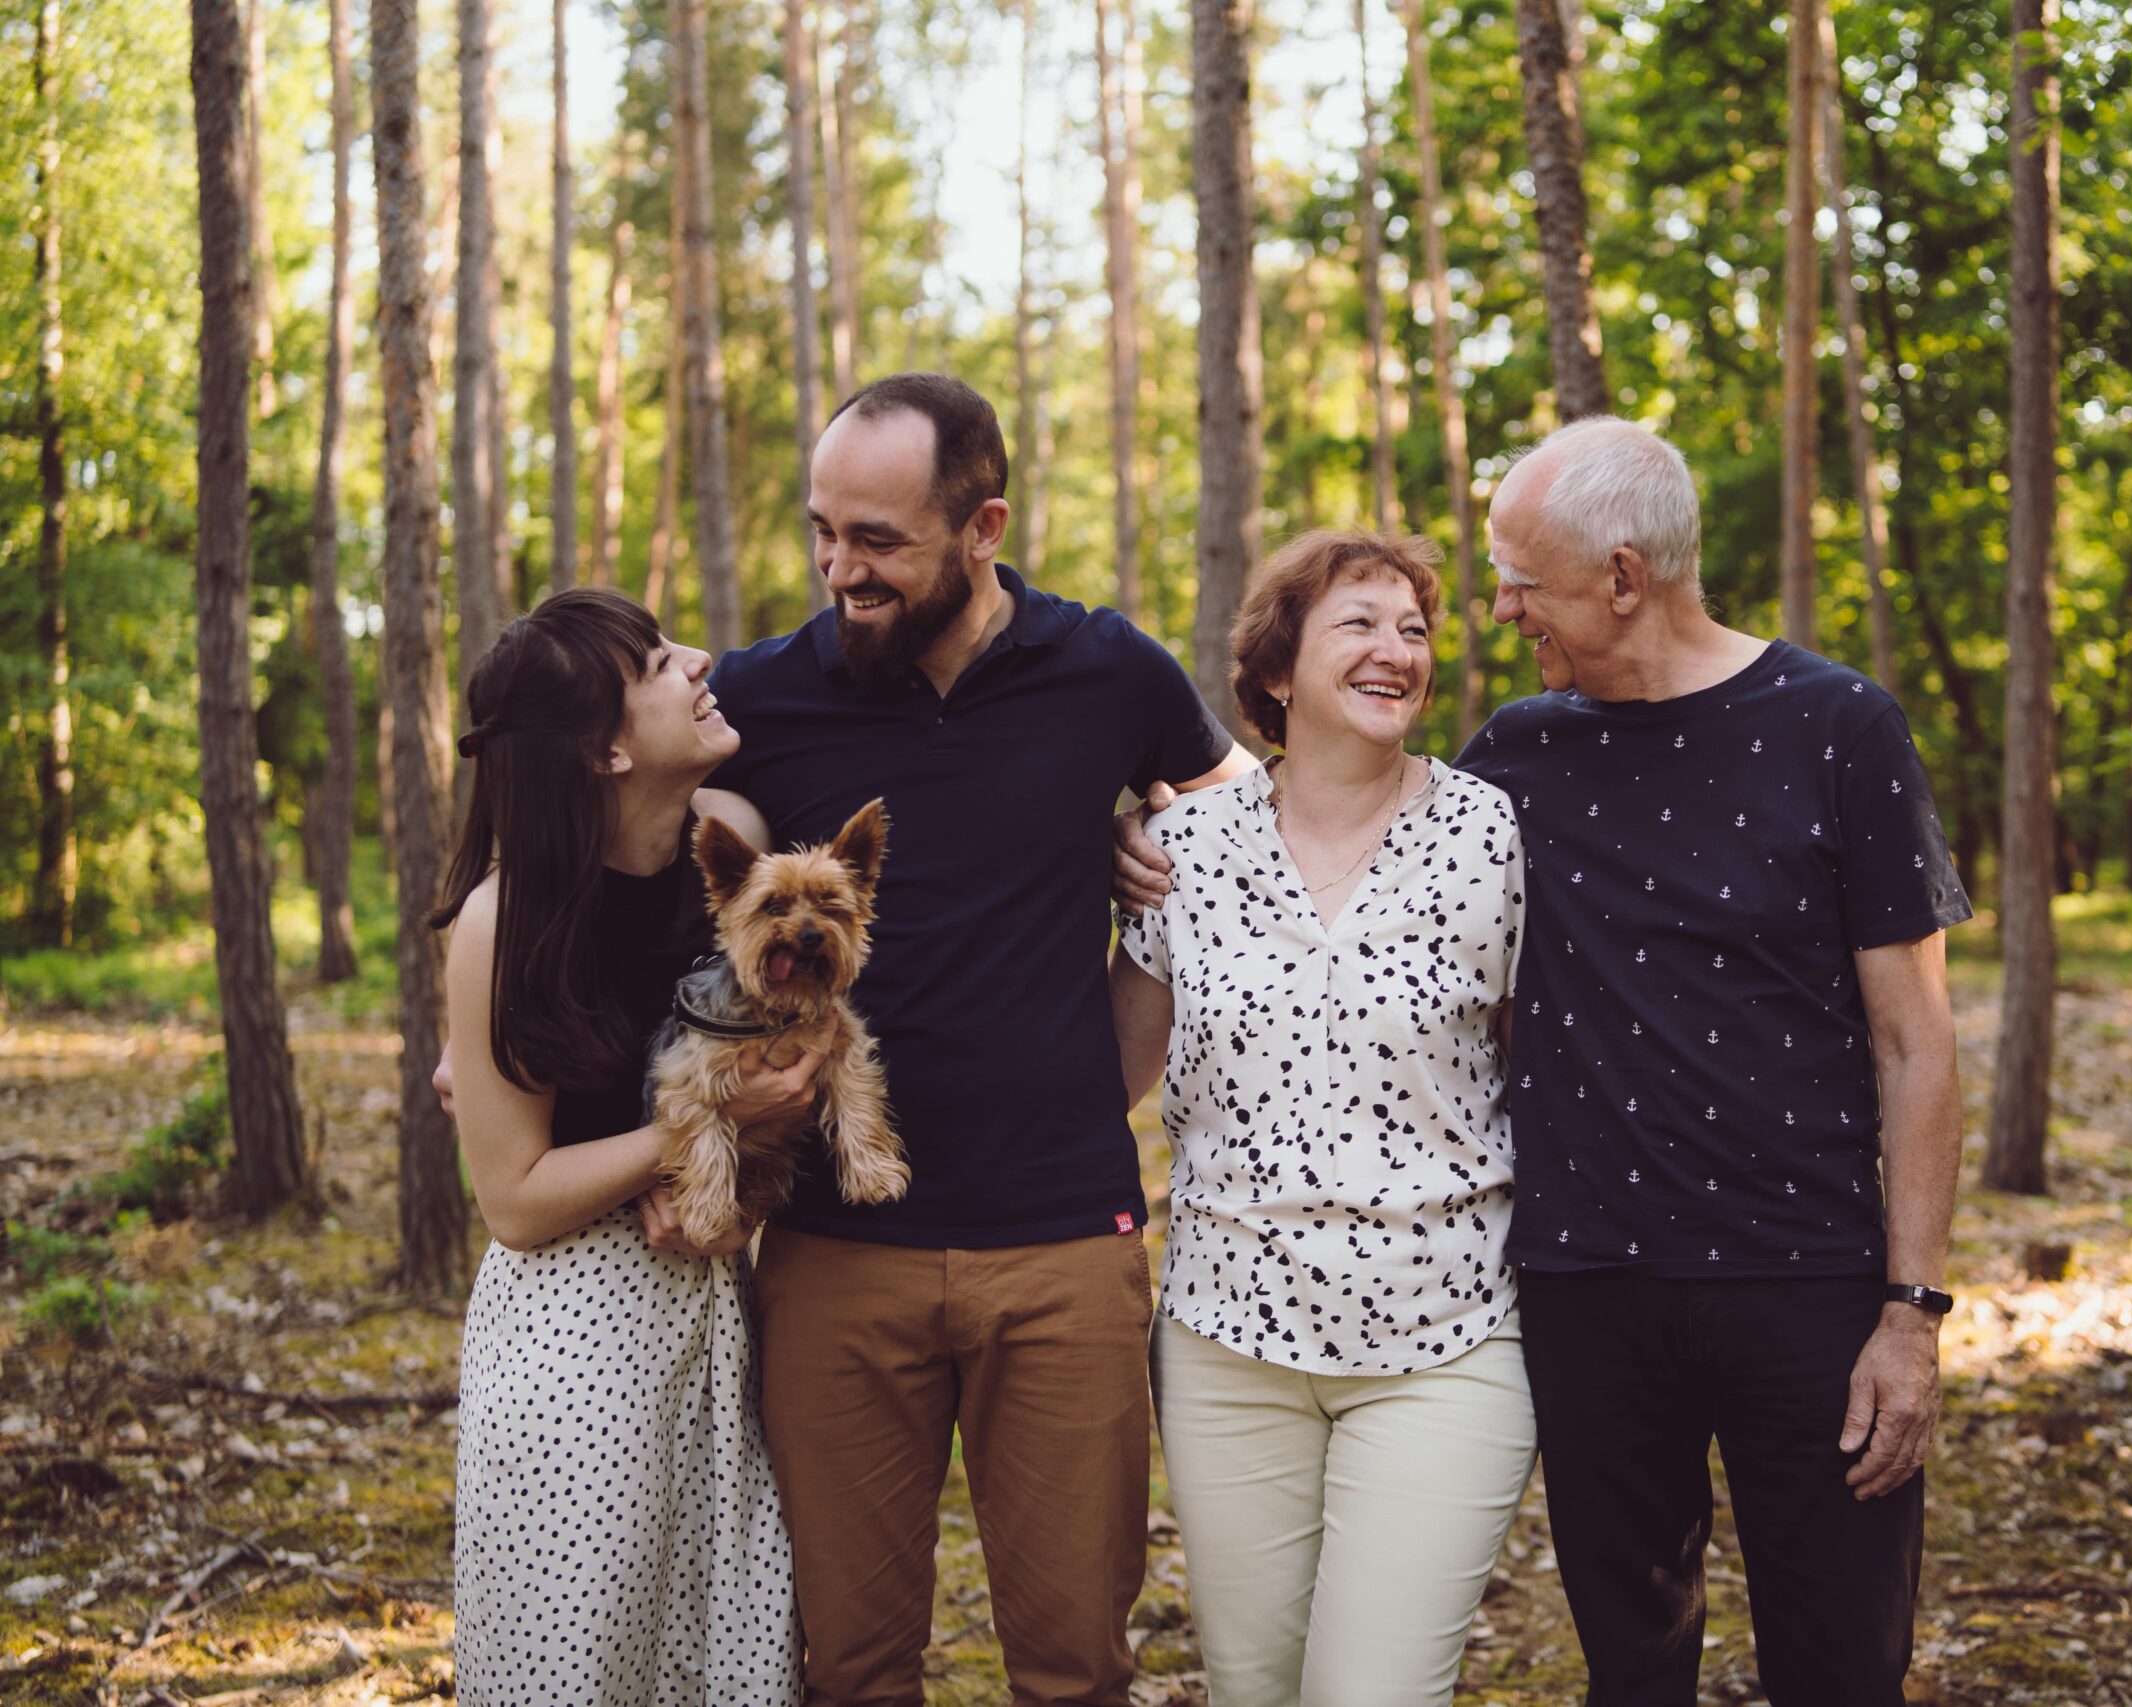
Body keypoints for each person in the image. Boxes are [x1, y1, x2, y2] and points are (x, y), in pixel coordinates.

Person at [1119, 418, 1970, 1706]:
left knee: (1841, 1663)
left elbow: (1917, 1041)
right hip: (1585, 1293)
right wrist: (1118, 852)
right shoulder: (1522, 754)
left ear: (1623, 578)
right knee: (1631, 1668)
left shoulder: (1839, 728)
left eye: (1520, 579)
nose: (1498, 609)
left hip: (1807, 1279)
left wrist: (1911, 1315)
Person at [702, 372, 1253, 1707]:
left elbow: (1248, 830)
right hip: (835, 1254)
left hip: (1064, 1244)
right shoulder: (758, 697)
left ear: (983, 524)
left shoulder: (1109, 668)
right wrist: (488, 1018)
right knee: (854, 1661)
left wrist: (1157, 854)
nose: (842, 568)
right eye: (823, 530)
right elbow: (609, 851)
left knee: (1074, 1664)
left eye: (879, 539)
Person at [1108, 530, 1533, 1707]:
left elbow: (1536, 1070)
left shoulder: (1491, 836)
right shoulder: (1179, 853)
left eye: (1415, 629)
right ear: (1277, 672)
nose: (1398, 648)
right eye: (1360, 623)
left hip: (1443, 1340)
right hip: (1226, 1340)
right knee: (1255, 1688)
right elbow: (1108, 1078)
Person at [433, 587, 808, 1706]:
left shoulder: (729, 848)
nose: (699, 661)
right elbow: (516, 1198)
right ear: (601, 748)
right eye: (655, 662)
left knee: (723, 1662)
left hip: (716, 1325)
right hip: (573, 1341)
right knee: (579, 1665)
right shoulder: (507, 919)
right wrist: (700, 1132)